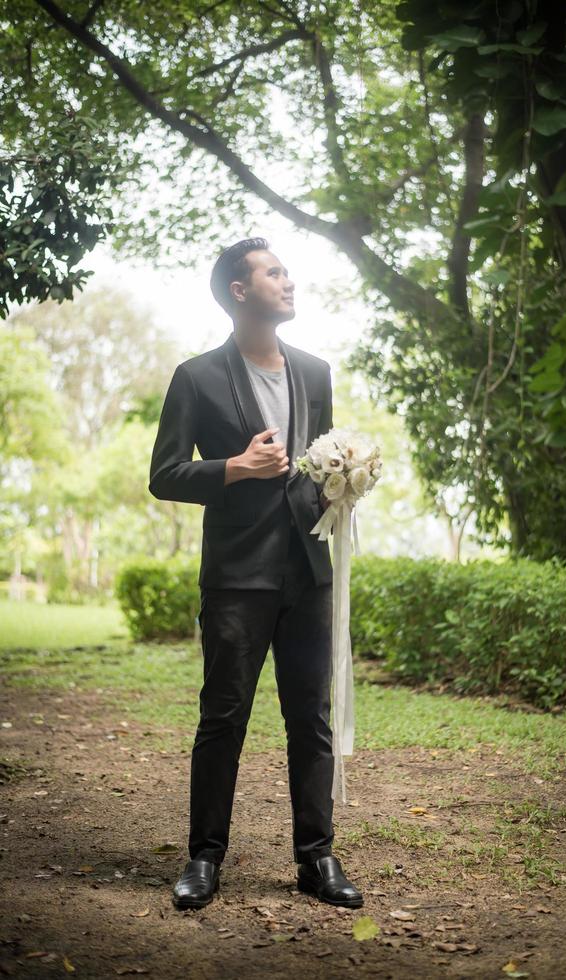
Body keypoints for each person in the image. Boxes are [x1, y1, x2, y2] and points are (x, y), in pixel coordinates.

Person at [148, 237, 363, 911]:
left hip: (308, 572)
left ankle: (316, 858)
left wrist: (341, 484)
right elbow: (164, 474)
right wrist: (234, 467)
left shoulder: (316, 371)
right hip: (237, 575)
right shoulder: (197, 376)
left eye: (287, 271)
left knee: (312, 720)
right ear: (239, 291)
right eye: (274, 273)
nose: (288, 281)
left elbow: (314, 471)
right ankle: (204, 859)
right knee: (223, 718)